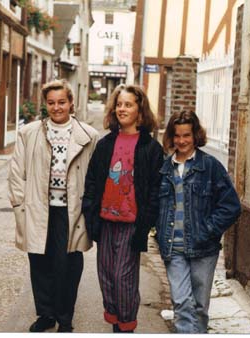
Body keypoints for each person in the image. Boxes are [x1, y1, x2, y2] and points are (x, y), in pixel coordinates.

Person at [8, 79, 99, 333]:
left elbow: (94, 178)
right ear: (45, 104)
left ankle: (65, 317)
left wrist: (89, 210)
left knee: (69, 265)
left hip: (71, 212)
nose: (57, 107)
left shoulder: (89, 136)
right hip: (39, 208)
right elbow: (17, 173)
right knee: (40, 262)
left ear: (71, 103)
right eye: (51, 102)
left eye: (62, 102)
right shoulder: (29, 133)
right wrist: (19, 206)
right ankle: (46, 314)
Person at [82, 84, 163, 333]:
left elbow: (154, 191)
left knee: (123, 277)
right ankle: (115, 319)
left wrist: (146, 222)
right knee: (106, 275)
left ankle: (126, 326)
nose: (122, 109)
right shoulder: (106, 144)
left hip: (132, 223)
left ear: (140, 110)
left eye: (128, 104)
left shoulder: (150, 148)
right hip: (106, 220)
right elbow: (93, 180)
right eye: (119, 104)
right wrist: (90, 213)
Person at [156, 111, 241, 333]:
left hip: (203, 248)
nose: (182, 141)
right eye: (177, 136)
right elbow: (154, 206)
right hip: (173, 247)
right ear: (171, 137)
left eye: (187, 135)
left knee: (200, 307)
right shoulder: (164, 169)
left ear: (195, 136)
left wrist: (208, 230)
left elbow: (231, 206)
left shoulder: (210, 166)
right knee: (181, 302)